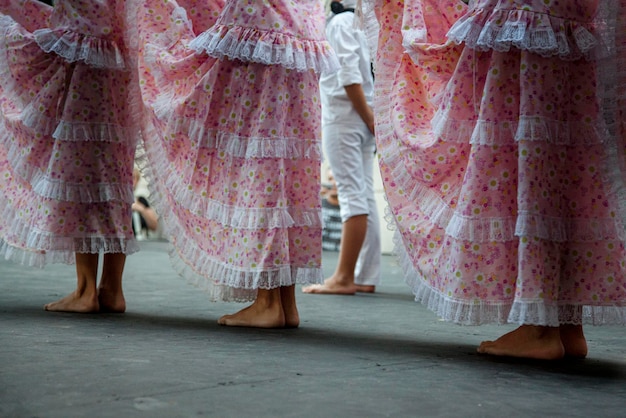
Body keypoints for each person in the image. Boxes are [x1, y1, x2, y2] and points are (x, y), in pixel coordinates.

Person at [361, 0, 626, 359]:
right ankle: (565, 322)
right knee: (562, 171)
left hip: (525, 26)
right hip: (571, 31)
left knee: (526, 172)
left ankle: (539, 328)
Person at [131, 0, 338, 327]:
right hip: (301, 31)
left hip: (259, 24)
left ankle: (267, 302)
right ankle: (284, 301)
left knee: (258, 161)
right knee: (284, 162)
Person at [0, 0, 140, 313]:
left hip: (84, 63)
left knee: (81, 174)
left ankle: (85, 290)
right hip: (120, 66)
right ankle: (112, 288)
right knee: (113, 178)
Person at [303, 0, 381, 296]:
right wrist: (370, 118)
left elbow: (349, 76)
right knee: (363, 195)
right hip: (362, 117)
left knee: (351, 195)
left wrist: (368, 118)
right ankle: (364, 274)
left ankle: (344, 276)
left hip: (344, 117)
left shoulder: (338, 24)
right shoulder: (359, 24)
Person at [132, 167, 159, 239]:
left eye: (133, 178)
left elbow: (154, 226)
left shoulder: (141, 200)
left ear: (137, 181)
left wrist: (141, 209)